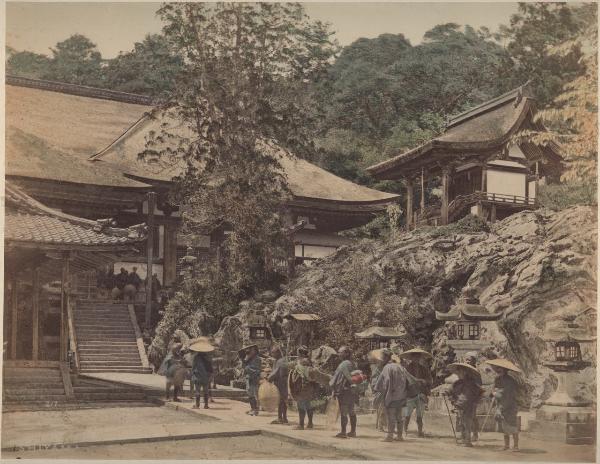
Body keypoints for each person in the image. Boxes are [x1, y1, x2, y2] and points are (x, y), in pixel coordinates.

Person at [374, 348, 410, 442]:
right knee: (400, 417)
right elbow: (408, 380)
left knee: (391, 416)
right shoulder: (401, 367)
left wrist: (378, 390)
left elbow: (384, 382)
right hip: (402, 395)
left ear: (386, 357)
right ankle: (399, 436)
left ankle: (390, 436)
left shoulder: (387, 367)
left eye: (382, 357)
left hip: (392, 396)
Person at [487, 359, 521, 452]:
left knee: (512, 425)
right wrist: (493, 393)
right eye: (497, 369)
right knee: (504, 426)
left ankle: (516, 446)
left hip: (510, 405)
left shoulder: (510, 381)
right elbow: (493, 390)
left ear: (505, 370)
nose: (498, 370)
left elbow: (508, 395)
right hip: (500, 404)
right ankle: (506, 445)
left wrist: (497, 393)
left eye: (501, 369)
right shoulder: (497, 379)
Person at [448, 363, 484, 447]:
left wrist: (475, 400)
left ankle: (468, 441)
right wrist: (447, 392)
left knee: (467, 423)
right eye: (458, 372)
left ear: (465, 372)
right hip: (460, 405)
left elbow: (471, 394)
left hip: (469, 406)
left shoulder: (471, 383)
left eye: (460, 372)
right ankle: (463, 439)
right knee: (461, 422)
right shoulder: (458, 383)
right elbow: (451, 389)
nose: (458, 374)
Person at [401, 349, 433, 438]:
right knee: (407, 414)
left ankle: (420, 431)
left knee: (420, 415)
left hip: (421, 393)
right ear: (411, 358)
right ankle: (404, 430)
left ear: (420, 358)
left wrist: (424, 381)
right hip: (410, 394)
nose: (416, 358)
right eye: (414, 357)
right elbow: (403, 381)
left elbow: (429, 380)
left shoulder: (424, 369)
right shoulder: (406, 369)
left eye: (418, 357)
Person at [288, 346, 320, 430]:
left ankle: (301, 425)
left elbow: (297, 375)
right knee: (309, 405)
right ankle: (310, 423)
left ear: (301, 353)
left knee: (301, 405)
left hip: (302, 387)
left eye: (298, 353)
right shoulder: (310, 362)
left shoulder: (301, 362)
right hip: (310, 387)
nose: (297, 354)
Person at [330, 346, 358, 438]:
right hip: (353, 390)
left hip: (344, 391)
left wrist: (333, 387)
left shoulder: (343, 364)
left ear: (346, 353)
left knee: (344, 411)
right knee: (352, 411)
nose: (339, 354)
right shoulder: (353, 363)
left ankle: (343, 432)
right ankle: (353, 431)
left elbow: (337, 378)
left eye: (340, 352)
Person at [189, 339, 214, 409]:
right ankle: (206, 405)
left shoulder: (196, 358)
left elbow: (193, 367)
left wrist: (192, 374)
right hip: (206, 377)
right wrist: (210, 376)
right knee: (206, 391)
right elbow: (210, 368)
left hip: (198, 376)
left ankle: (197, 405)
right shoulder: (208, 358)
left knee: (197, 391)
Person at [267, 345, 289, 425]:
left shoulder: (280, 361)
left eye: (273, 353)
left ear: (277, 353)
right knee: (282, 401)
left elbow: (275, 373)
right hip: (280, 383)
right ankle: (283, 418)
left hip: (281, 383)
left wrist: (268, 378)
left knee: (281, 401)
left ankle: (282, 418)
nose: (272, 355)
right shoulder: (279, 360)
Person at [241, 344, 262, 416]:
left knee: (254, 394)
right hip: (249, 378)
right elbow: (244, 366)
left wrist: (247, 368)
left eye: (251, 349)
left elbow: (256, 370)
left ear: (255, 350)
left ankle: (255, 410)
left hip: (254, 378)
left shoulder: (257, 359)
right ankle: (252, 408)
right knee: (250, 394)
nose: (249, 351)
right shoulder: (249, 358)